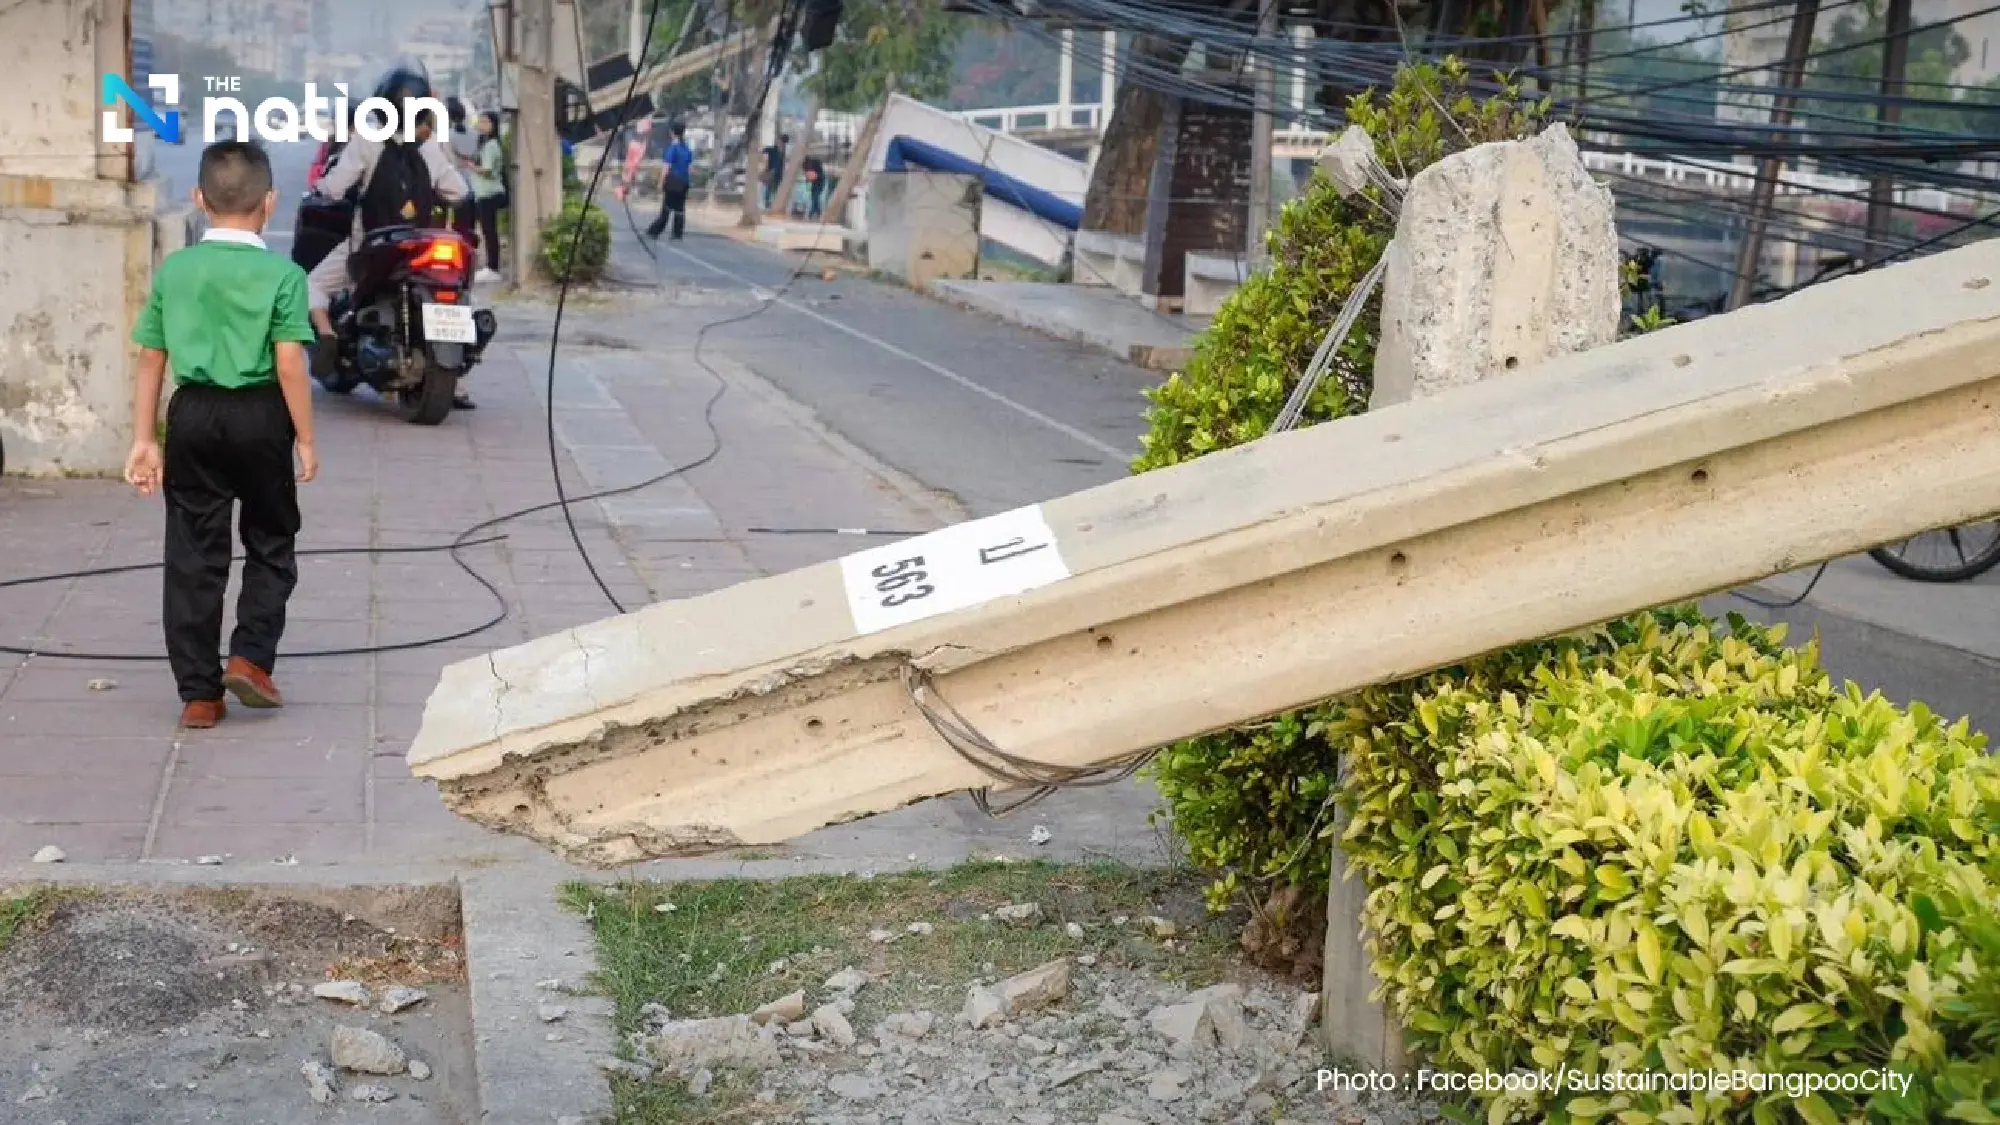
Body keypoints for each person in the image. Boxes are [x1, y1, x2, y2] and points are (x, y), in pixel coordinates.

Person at [124, 141, 319, 730]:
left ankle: (199, 695)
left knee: (192, 553)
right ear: (271, 202)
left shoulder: (176, 269)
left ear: (199, 198)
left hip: (193, 417)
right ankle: (250, 659)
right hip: (261, 417)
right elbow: (289, 363)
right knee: (271, 539)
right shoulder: (284, 275)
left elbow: (151, 359)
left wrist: (144, 439)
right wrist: (305, 438)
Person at [307, 64, 472, 406]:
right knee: (460, 294)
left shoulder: (367, 142)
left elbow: (334, 188)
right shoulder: (429, 149)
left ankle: (325, 334)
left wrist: (321, 190)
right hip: (420, 245)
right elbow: (457, 192)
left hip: (373, 246)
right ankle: (453, 383)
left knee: (312, 284)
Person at [469, 111, 507, 282]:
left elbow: (488, 169)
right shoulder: (485, 143)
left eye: (486, 122)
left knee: (489, 231)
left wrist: (471, 167)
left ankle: (493, 268)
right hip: (485, 193)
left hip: (489, 193)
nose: (482, 125)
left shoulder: (491, 145)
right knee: (488, 230)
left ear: (493, 125)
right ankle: (491, 267)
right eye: (481, 122)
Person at [646, 122, 694, 241]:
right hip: (683, 182)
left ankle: (654, 231)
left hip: (672, 182)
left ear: (672, 132)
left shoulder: (673, 148)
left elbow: (666, 167)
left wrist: (661, 182)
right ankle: (677, 234)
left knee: (666, 209)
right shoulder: (687, 148)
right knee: (680, 209)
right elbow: (690, 168)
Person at [761, 132, 789, 211]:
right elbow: (763, 151)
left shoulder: (783, 151)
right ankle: (767, 202)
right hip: (771, 171)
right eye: (781, 142)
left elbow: (782, 162)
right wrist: (766, 165)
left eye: (783, 143)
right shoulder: (773, 149)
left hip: (779, 173)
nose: (782, 144)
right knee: (769, 188)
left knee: (776, 188)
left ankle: (773, 202)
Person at [802, 153, 826, 219]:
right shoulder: (805, 165)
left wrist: (815, 176)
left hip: (820, 181)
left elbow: (821, 174)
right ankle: (817, 212)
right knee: (814, 197)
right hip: (814, 182)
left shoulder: (816, 163)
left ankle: (813, 212)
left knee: (815, 197)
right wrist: (808, 182)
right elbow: (807, 175)